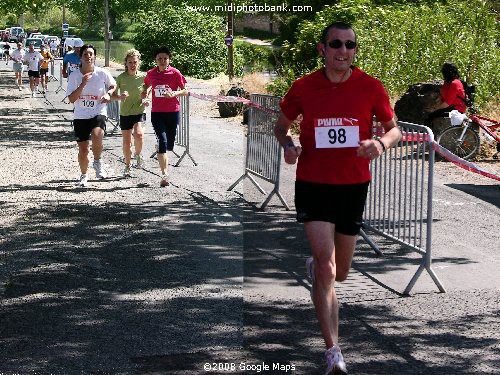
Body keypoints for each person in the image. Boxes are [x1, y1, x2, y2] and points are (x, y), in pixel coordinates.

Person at [274, 22, 401, 375]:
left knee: (340, 272)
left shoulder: (371, 87)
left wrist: (379, 144)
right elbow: (281, 125)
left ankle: (318, 271)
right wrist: (287, 146)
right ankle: (333, 352)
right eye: (336, 44)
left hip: (352, 186)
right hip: (314, 183)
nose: (343, 50)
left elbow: (394, 129)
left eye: (350, 45)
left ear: (355, 50)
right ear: (322, 49)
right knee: (327, 267)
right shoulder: (304, 86)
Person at [67, 44, 116, 187]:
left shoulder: (102, 73)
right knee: (83, 149)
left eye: (91, 54)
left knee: (98, 134)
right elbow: (71, 99)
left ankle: (98, 161)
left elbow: (113, 85)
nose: (88, 57)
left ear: (94, 57)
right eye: (85, 55)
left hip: (98, 111)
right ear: (81, 57)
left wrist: (108, 94)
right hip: (81, 114)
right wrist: (82, 84)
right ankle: (83, 175)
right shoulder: (75, 75)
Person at [141, 46, 188, 187]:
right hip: (157, 113)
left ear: (169, 60)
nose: (162, 61)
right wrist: (146, 95)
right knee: (162, 141)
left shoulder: (175, 73)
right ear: (155, 60)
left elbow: (186, 90)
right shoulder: (151, 73)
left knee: (170, 144)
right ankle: (164, 175)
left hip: (173, 112)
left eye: (165, 58)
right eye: (159, 59)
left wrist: (174, 94)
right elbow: (146, 85)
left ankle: (161, 148)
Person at [112, 49, 148, 177]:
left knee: (139, 134)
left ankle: (138, 155)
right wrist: (120, 97)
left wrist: (145, 99)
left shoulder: (144, 77)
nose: (132, 65)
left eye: (135, 62)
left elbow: (147, 91)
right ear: (126, 63)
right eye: (130, 62)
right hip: (125, 113)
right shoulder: (121, 77)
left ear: (139, 63)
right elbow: (112, 94)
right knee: (127, 143)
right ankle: (128, 165)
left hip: (139, 110)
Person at [424, 62, 466, 126]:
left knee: (431, 116)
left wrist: (436, 109)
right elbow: (443, 96)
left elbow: (448, 103)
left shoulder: (455, 83)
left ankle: (430, 134)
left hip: (457, 109)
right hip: (450, 107)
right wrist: (435, 105)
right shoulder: (447, 82)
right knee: (428, 113)